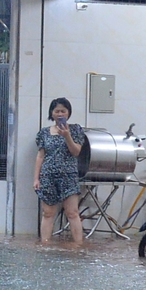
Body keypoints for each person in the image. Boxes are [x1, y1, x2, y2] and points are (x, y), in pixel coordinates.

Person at [33, 98, 85, 243]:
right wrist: (36, 178)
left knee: (72, 212)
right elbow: (40, 156)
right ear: (52, 113)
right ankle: (45, 245)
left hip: (69, 176)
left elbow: (76, 152)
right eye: (57, 111)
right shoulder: (44, 133)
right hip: (48, 176)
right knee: (48, 213)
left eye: (63, 111)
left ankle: (78, 246)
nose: (60, 113)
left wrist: (67, 135)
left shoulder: (75, 130)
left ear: (68, 113)